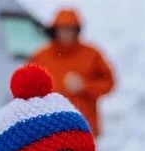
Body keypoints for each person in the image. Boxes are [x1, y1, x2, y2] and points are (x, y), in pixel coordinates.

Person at [29, 8, 115, 139]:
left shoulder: (91, 54)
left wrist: (85, 86)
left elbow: (109, 83)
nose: (66, 33)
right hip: (49, 130)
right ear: (55, 30)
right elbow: (27, 89)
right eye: (62, 29)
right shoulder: (41, 56)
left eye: (70, 29)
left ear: (77, 30)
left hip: (83, 128)